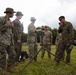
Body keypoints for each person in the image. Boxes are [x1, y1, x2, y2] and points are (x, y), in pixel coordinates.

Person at [0, 8, 16, 74]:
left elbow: (10, 32)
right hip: (3, 41)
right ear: (9, 13)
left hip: (10, 41)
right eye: (12, 13)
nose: (13, 14)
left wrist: (12, 26)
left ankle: (9, 67)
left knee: (13, 54)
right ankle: (2, 69)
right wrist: (7, 25)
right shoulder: (1, 19)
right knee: (3, 56)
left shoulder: (10, 21)